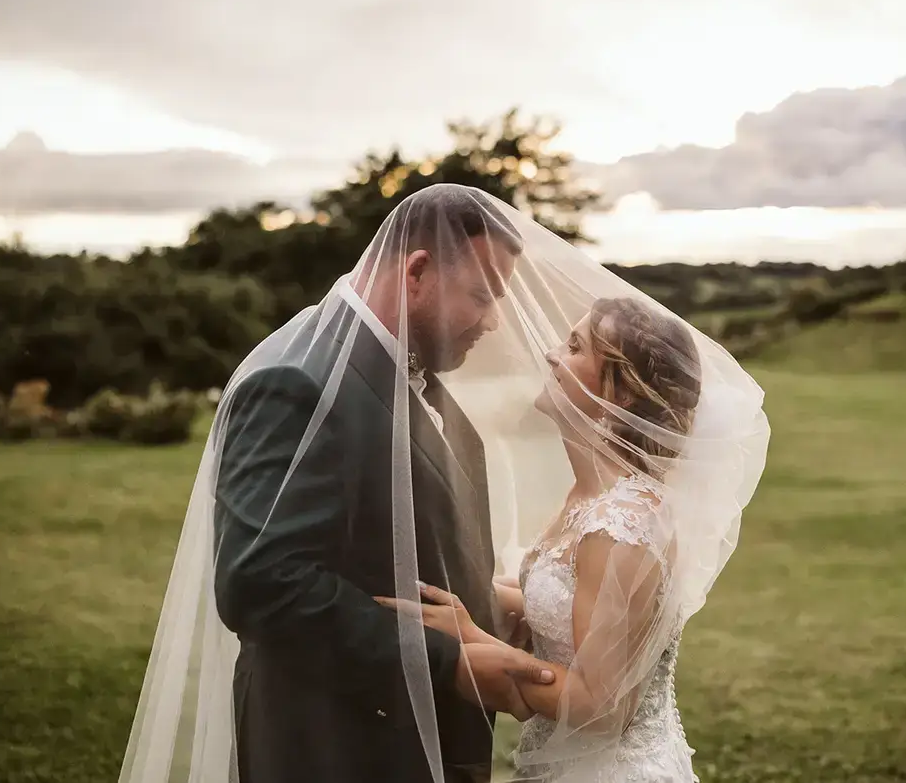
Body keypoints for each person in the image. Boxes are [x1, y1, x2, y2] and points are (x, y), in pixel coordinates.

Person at [118, 183, 768, 783]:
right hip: (332, 751)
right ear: (418, 272)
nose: (496, 323)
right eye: (483, 294)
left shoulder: (425, 389)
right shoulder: (299, 383)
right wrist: (447, 654)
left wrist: (478, 625)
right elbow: (258, 579)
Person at [378, 294, 769, 781]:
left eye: (575, 346)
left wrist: (472, 639)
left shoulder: (621, 524)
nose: (551, 354)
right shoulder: (589, 498)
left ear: (620, 394)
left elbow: (602, 709)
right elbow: (567, 601)